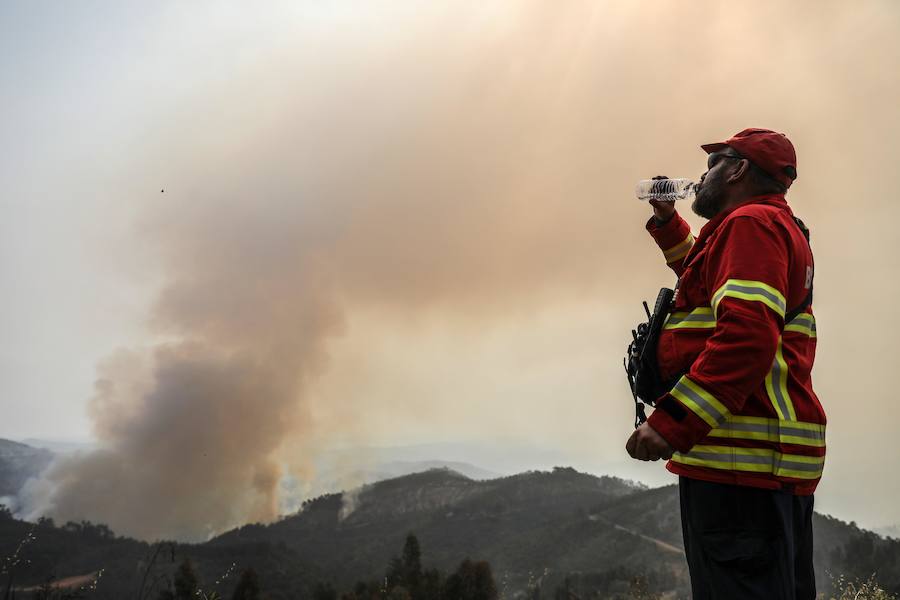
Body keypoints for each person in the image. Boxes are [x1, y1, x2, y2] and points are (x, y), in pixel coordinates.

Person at [625, 128, 826, 599]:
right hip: (760, 470)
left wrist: (672, 422)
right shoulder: (765, 226)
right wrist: (669, 221)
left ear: (737, 170)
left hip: (743, 468)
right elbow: (705, 271)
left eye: (714, 163)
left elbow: (746, 336)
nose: (701, 175)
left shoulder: (750, 225)